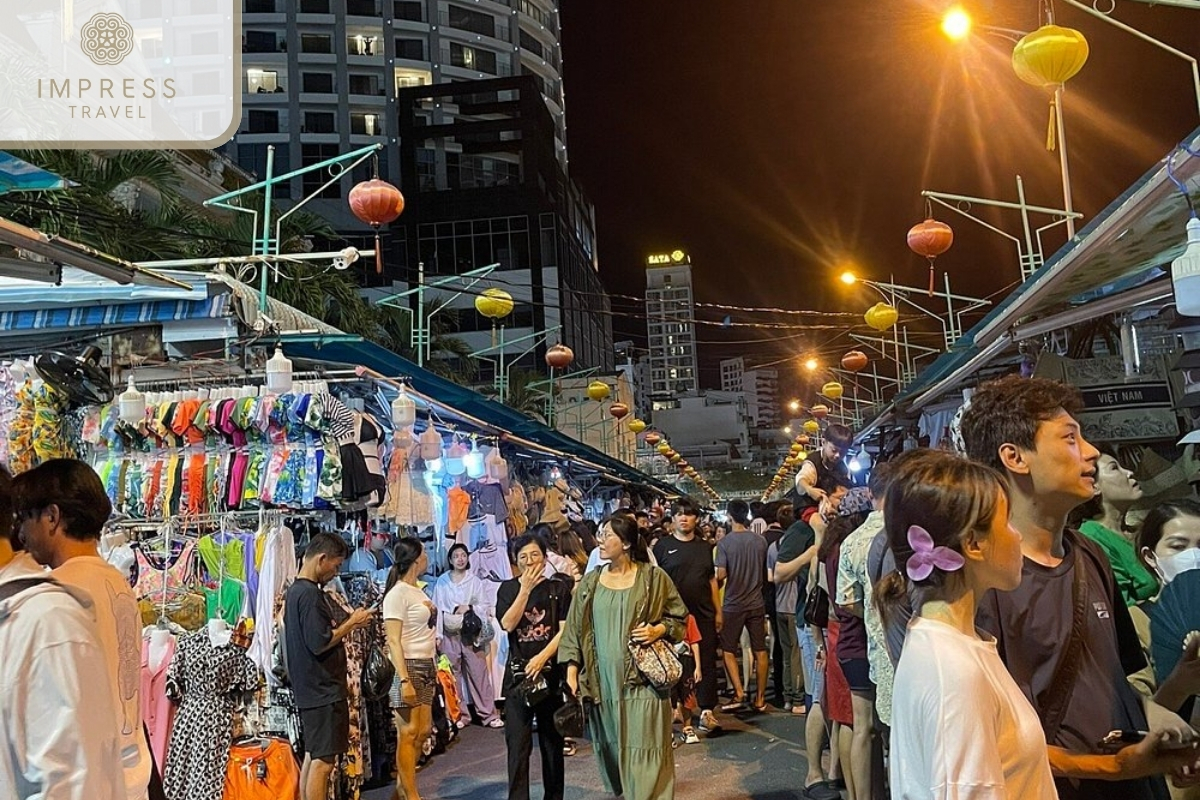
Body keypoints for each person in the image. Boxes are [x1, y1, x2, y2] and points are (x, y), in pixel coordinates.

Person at [962, 375, 1198, 800]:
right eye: (1070, 439)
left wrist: (1163, 721)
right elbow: (985, 739)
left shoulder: (1090, 555)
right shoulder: (981, 577)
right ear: (1015, 457)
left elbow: (1113, 683)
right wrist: (1109, 767)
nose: (1090, 452)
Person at [878, 449, 1059, 798]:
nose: (1017, 535)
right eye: (1007, 521)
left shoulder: (950, 646)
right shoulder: (954, 671)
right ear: (974, 543)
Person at [14, 458, 152, 800]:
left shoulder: (55, 592)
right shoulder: (116, 581)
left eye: (26, 518)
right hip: (131, 774)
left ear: (51, 517)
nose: (21, 534)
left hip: (87, 783)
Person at [560, 514, 689, 800]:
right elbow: (573, 627)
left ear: (627, 543)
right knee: (615, 748)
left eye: (608, 535)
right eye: (601, 534)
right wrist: (571, 670)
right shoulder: (591, 582)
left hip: (643, 681)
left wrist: (659, 629)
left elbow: (680, 618)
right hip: (603, 682)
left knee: (647, 746)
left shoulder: (653, 578)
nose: (600, 541)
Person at [283, 532, 374, 800]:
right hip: (323, 689)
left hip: (311, 687)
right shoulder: (309, 595)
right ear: (322, 559)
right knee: (323, 762)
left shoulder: (295, 591)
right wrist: (352, 623)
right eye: (335, 566)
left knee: (314, 756)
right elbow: (319, 642)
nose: (335, 573)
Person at [497, 533, 570, 800]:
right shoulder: (507, 589)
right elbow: (508, 624)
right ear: (516, 562)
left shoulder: (558, 589)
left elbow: (564, 631)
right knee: (517, 746)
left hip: (549, 676)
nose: (529, 561)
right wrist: (525, 590)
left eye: (534, 555)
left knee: (552, 744)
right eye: (523, 557)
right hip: (518, 678)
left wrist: (542, 658)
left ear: (545, 557)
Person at [652, 497, 723, 735]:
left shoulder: (705, 547)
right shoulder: (661, 547)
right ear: (672, 519)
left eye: (689, 514)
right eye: (679, 514)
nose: (684, 518)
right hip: (672, 618)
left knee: (706, 662)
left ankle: (707, 710)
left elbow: (712, 580)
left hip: (703, 614)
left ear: (696, 519)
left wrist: (718, 611)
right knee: (674, 662)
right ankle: (677, 708)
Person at [822, 488, 874, 800]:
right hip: (857, 638)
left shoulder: (831, 547)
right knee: (862, 726)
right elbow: (849, 602)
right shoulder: (853, 547)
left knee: (849, 722)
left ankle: (855, 794)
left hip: (839, 637)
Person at [383, 538, 437, 800]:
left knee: (424, 730)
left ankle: (402, 789)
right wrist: (404, 679)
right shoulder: (397, 594)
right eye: (424, 553)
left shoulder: (419, 590)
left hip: (427, 663)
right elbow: (393, 639)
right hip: (408, 666)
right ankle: (410, 793)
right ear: (416, 558)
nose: (427, 557)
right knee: (408, 731)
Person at [1072, 450, 1158, 607]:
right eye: (1114, 468)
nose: (1129, 473)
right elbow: (1123, 608)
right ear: (1094, 486)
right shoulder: (1092, 539)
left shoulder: (1138, 529)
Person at [431, 543, 502, 728]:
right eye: (456, 556)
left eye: (463, 555)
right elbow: (437, 609)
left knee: (479, 672)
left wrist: (469, 608)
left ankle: (488, 714)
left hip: (470, 632)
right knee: (452, 675)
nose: (460, 559)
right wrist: (438, 634)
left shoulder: (475, 581)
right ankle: (459, 715)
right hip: (449, 632)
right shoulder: (442, 581)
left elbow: (484, 606)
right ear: (450, 560)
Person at [716, 499, 770, 712]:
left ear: (729, 516)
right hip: (757, 602)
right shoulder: (760, 541)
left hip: (733, 604)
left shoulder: (725, 544)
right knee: (760, 650)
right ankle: (760, 698)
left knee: (728, 649)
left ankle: (738, 692)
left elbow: (721, 574)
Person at [767, 503, 805, 713]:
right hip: (794, 605)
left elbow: (770, 577)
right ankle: (798, 700)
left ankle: (787, 696)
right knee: (796, 655)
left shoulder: (774, 547)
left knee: (786, 653)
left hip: (779, 605)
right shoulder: (800, 545)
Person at [792, 423, 854, 515]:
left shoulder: (843, 467)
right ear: (823, 443)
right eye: (834, 450)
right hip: (809, 506)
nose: (838, 455)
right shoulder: (812, 462)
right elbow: (801, 479)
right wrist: (809, 490)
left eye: (843, 452)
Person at [670, 613, 704, 745]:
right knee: (669, 697)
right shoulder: (660, 618)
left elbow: (695, 642)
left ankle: (687, 727)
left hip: (686, 660)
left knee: (687, 695)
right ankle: (668, 732)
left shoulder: (689, 618)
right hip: (669, 660)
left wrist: (698, 667)